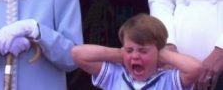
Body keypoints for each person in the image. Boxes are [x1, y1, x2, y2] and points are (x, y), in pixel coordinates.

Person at [72, 13, 202, 90]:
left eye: (143, 51)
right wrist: (120, 54)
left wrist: (162, 55)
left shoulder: (168, 80)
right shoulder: (115, 75)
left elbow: (195, 68)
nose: (135, 56)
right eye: (129, 50)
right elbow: (77, 54)